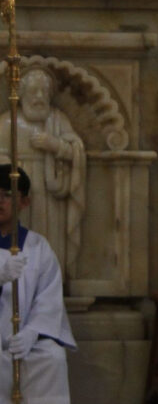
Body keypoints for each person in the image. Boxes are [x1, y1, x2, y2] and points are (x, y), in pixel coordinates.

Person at [0, 165, 77, 404]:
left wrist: (33, 332)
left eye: (7, 195)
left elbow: (49, 298)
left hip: (24, 338)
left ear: (24, 203)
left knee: (51, 359)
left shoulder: (37, 247)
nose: (0, 201)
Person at [0, 67, 87, 278]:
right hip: (17, 190)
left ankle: (48, 280)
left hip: (50, 193)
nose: (39, 97)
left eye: (43, 91)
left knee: (47, 239)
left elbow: (76, 150)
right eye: (33, 91)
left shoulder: (57, 119)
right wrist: (11, 169)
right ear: (21, 93)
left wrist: (55, 145)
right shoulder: (7, 121)